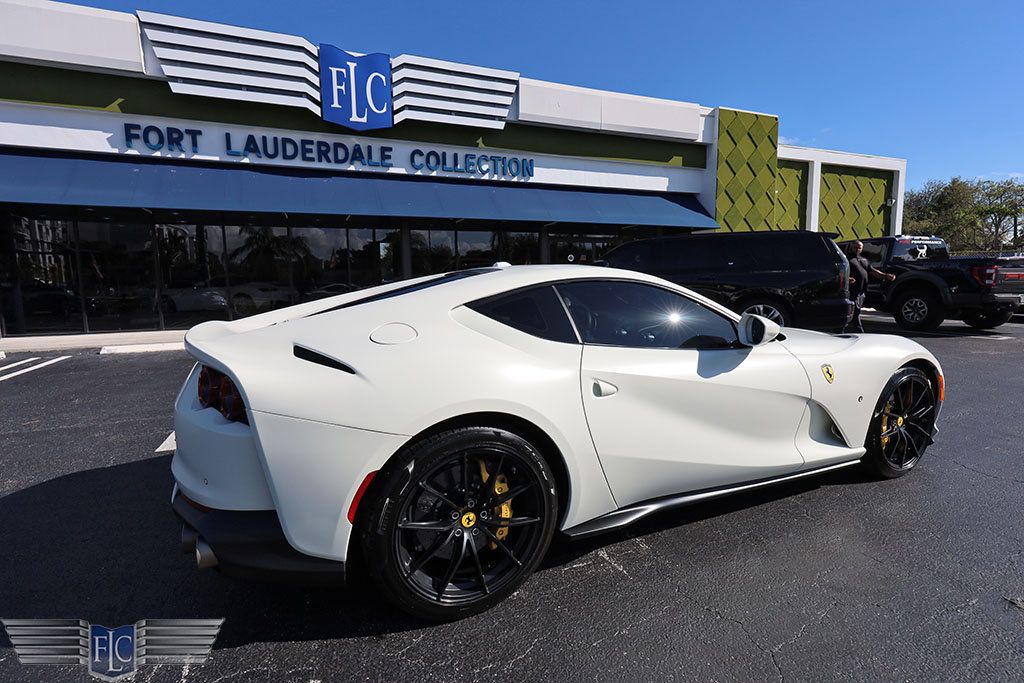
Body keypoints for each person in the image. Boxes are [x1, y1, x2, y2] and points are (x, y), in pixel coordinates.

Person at [844, 240, 895, 332]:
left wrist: (885, 276)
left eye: (859, 247)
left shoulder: (863, 260)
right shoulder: (846, 259)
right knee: (855, 312)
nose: (857, 249)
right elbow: (840, 273)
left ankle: (841, 330)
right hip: (852, 291)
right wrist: (847, 279)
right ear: (851, 247)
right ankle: (857, 332)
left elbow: (873, 272)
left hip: (861, 292)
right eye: (855, 247)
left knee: (855, 312)